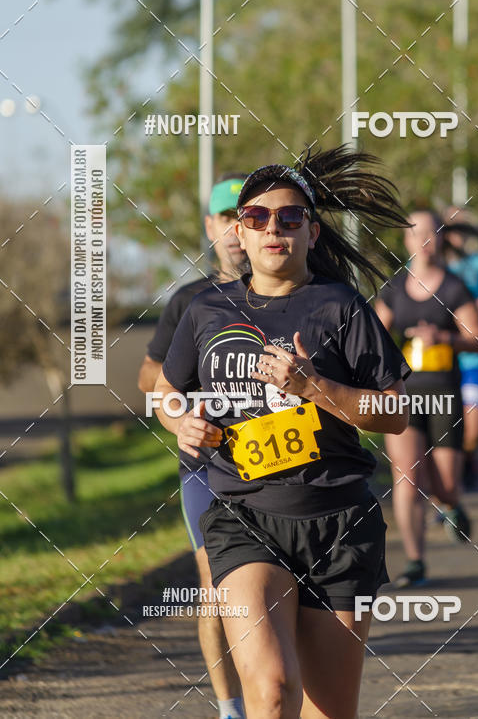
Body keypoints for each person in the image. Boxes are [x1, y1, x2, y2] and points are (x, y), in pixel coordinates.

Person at [152, 146, 411, 719]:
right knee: (270, 691)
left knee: (330, 712)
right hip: (243, 515)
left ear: (312, 234)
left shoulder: (340, 307)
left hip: (340, 523)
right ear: (237, 235)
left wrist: (315, 387)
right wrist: (180, 420)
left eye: (290, 218)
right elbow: (166, 393)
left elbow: (396, 412)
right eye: (257, 218)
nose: (274, 228)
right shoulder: (204, 310)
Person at [137, 173, 248, 719]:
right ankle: (231, 708)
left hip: (287, 469)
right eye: (225, 218)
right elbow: (152, 379)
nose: (235, 230)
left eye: (245, 216)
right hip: (208, 465)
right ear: (209, 227)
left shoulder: (299, 291)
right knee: (215, 584)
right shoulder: (190, 301)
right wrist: (179, 416)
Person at [375, 209, 478, 588]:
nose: (424, 240)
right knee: (406, 477)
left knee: (444, 486)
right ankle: (415, 560)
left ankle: (453, 504)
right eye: (415, 233)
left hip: (443, 396)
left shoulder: (454, 288)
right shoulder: (393, 289)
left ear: (440, 239)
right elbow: (371, 334)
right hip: (403, 398)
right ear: (406, 241)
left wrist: (445, 339)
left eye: (431, 232)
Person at [444, 207, 478, 489]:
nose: (455, 236)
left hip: (472, 359)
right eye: (450, 228)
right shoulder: (427, 267)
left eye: (461, 228)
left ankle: (468, 454)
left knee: (473, 430)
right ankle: (444, 494)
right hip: (437, 364)